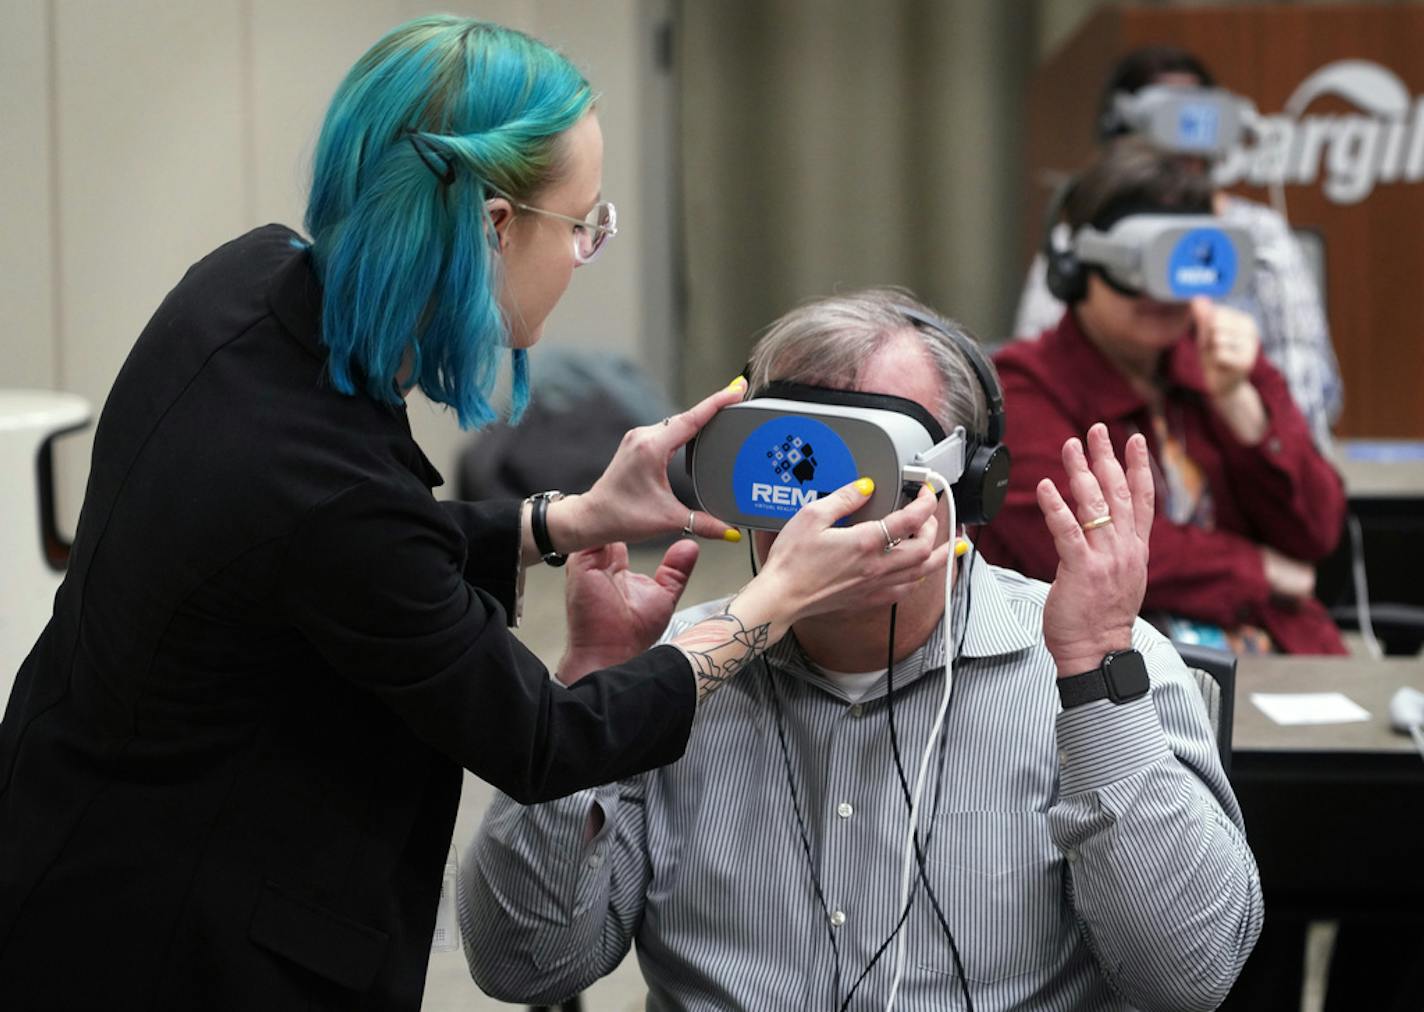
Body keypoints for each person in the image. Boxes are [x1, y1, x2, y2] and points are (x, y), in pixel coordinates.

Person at [0, 19, 945, 1011]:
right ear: (496, 226)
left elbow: (324, 561)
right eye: (582, 223)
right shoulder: (319, 481)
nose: (585, 253)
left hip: (68, 835)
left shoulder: (249, 286)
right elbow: (545, 737)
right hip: (173, 944)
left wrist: (565, 518)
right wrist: (770, 603)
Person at [460, 289, 1263, 1011]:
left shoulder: (1094, 665)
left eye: (866, 471)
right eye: (791, 460)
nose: (823, 516)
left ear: (967, 485)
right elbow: (523, 967)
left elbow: (1185, 980)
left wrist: (1094, 682)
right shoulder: (665, 672)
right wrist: (593, 695)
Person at [980, 141, 1346, 656]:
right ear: (1076, 268)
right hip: (1119, 672)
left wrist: (1240, 403)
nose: (1159, 293)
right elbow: (1084, 546)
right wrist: (1259, 569)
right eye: (1138, 266)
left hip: (1282, 663)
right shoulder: (1021, 388)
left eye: (1179, 261)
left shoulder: (1223, 360)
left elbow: (1319, 530)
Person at [1014, 45, 1343, 450]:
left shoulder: (1261, 236)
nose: (1184, 142)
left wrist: (1251, 409)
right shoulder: (1082, 240)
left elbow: (1313, 396)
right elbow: (1042, 361)